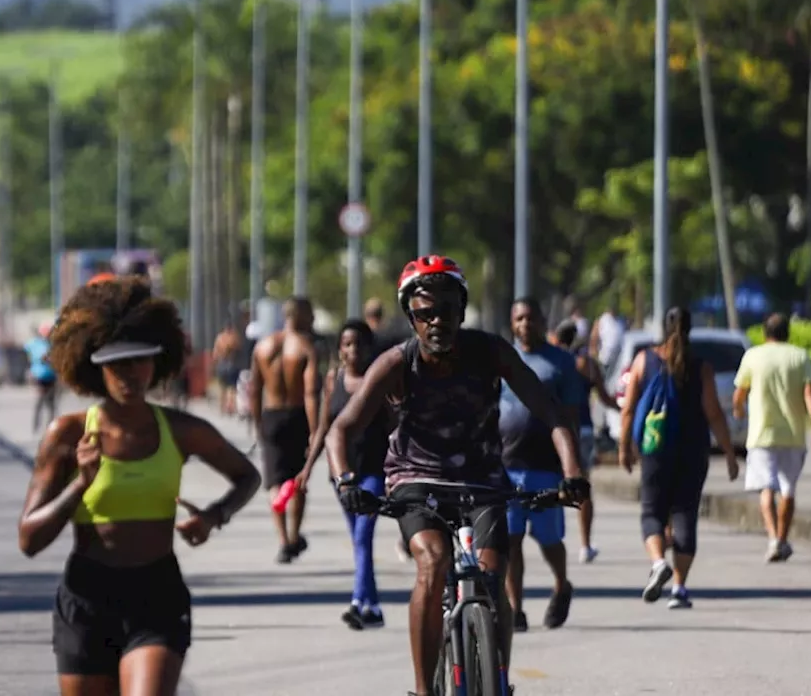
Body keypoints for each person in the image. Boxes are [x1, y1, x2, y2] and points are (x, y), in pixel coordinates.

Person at [326, 256, 589, 696]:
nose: (436, 322)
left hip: (483, 481)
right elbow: (341, 429)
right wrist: (346, 480)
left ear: (461, 312)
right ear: (411, 317)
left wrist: (573, 473)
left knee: (492, 574)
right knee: (432, 562)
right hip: (416, 480)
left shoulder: (491, 353)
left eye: (446, 311)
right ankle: (423, 690)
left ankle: (498, 681)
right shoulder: (396, 363)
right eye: (425, 313)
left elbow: (551, 412)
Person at [17, 276, 260, 696]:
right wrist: (80, 486)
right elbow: (29, 539)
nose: (130, 373)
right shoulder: (68, 434)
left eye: (141, 360)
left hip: (157, 594)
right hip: (87, 596)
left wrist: (213, 516)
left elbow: (247, 475)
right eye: (117, 363)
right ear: (95, 365)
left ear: (158, 361)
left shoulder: (183, 430)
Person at [618, 306, 740, 609]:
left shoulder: (644, 360)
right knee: (685, 515)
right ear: (689, 328)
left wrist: (624, 447)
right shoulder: (701, 367)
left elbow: (629, 408)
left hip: (655, 449)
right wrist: (729, 453)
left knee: (652, 513)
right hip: (693, 451)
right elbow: (713, 412)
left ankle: (658, 562)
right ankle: (680, 589)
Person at [294, 319, 392, 631]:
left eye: (359, 344)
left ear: (369, 348)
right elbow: (324, 426)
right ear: (339, 349)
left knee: (363, 536)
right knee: (359, 542)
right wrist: (307, 469)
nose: (353, 350)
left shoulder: (379, 381)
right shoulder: (333, 379)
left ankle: (356, 602)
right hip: (343, 475)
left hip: (374, 473)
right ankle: (373, 607)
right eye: (347, 344)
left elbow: (394, 425)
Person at [501, 299, 586, 632]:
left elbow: (571, 417)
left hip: (547, 467)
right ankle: (515, 607)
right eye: (519, 318)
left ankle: (562, 584)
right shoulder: (503, 358)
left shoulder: (561, 362)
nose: (525, 324)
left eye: (531, 318)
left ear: (542, 321)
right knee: (510, 539)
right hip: (506, 464)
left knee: (548, 539)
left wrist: (574, 468)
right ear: (512, 323)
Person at [732, 312, 811, 563]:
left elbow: (739, 394)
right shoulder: (800, 356)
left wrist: (739, 412)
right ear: (788, 332)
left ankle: (774, 538)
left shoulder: (753, 356)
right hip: (793, 434)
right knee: (788, 490)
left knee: (766, 489)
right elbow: (809, 395)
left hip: (762, 434)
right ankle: (783, 539)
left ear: (765, 333)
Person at [248, 296, 322, 563]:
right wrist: (315, 430)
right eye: (310, 315)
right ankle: (293, 535)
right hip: (297, 415)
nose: (313, 320)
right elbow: (312, 393)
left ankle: (282, 541)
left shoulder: (263, 346)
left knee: (275, 482)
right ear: (301, 316)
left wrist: (257, 423)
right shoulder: (305, 347)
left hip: (271, 415)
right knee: (299, 480)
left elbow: (254, 389)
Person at [552, 321, 620, 563]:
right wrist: (623, 408)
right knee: (583, 486)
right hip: (584, 429)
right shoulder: (587, 364)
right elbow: (603, 396)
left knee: (553, 482)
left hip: (556, 430)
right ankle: (585, 544)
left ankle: (550, 537)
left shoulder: (554, 361)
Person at [27, 321, 58, 434]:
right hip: (39, 376)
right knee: (39, 401)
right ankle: (36, 424)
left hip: (51, 376)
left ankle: (50, 426)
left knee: (51, 403)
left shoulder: (52, 344)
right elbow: (35, 356)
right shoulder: (35, 344)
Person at [211, 320, 246, 416]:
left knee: (222, 387)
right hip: (231, 363)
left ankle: (222, 408)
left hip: (221, 363)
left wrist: (214, 365)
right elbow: (239, 348)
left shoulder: (219, 338)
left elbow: (215, 354)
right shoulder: (234, 338)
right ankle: (231, 408)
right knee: (232, 387)